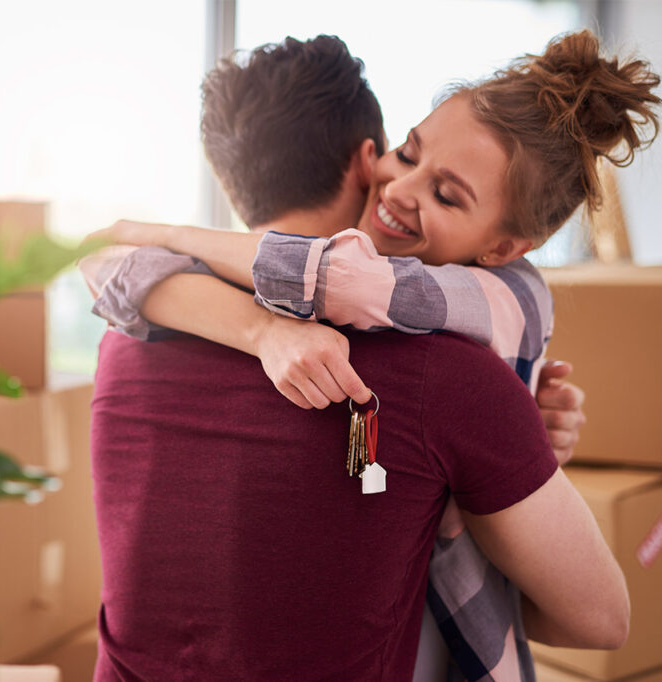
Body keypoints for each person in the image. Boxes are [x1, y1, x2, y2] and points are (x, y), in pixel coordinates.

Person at [86, 31, 656, 680]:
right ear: (368, 157)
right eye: (406, 153)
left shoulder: (127, 331)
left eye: (446, 193)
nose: (402, 187)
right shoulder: (451, 378)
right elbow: (599, 620)